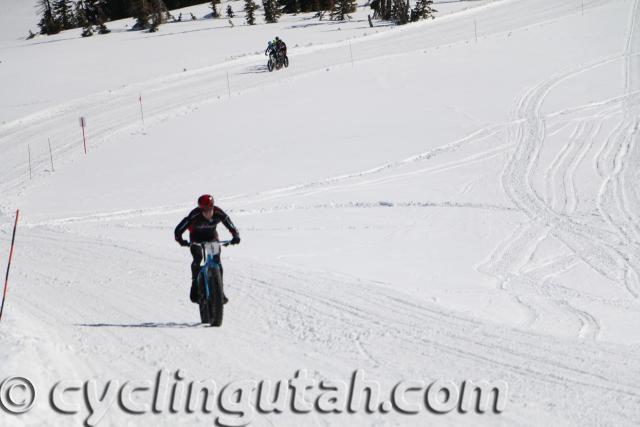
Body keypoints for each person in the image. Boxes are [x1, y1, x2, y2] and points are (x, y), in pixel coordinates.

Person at [174, 194, 240, 304]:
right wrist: (181, 241)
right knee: (198, 257)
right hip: (196, 239)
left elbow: (229, 223)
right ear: (200, 208)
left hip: (212, 237)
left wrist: (235, 236)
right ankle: (195, 284)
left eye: (210, 208)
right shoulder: (194, 215)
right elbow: (178, 230)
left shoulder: (218, 212)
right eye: (204, 209)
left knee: (216, 261)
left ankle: (220, 291)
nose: (208, 212)